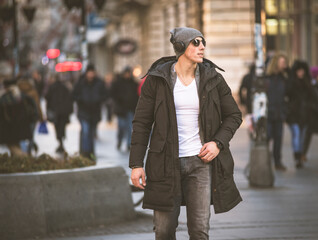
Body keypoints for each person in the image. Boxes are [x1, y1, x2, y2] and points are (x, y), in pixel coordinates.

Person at [129, 27, 243, 239]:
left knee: (199, 230)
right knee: (164, 230)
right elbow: (142, 123)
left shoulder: (212, 78)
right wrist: (136, 164)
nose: (202, 47)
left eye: (203, 42)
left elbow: (234, 115)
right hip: (164, 163)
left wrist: (217, 143)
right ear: (180, 47)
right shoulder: (157, 79)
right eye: (196, 43)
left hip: (200, 163)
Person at [73, 64, 106, 160]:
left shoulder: (99, 83)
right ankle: (85, 152)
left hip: (94, 112)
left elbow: (105, 94)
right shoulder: (80, 83)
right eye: (89, 72)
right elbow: (74, 94)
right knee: (85, 131)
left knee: (91, 133)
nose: (91, 74)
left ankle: (91, 152)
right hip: (83, 112)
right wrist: (81, 100)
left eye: (92, 72)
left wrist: (99, 100)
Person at [0, 79, 37, 156]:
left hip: (9, 128)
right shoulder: (22, 95)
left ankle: (25, 158)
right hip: (22, 126)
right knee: (16, 145)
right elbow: (34, 107)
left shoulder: (4, 97)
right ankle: (19, 162)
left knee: (12, 146)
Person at [265, 53, 290, 171]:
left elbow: (288, 93)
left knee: (278, 138)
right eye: (282, 62)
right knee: (267, 136)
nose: (284, 65)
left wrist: (285, 110)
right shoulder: (266, 78)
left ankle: (277, 161)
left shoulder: (284, 78)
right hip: (268, 113)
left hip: (279, 113)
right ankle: (265, 160)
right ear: (276, 63)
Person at [286, 60, 312, 168]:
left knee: (301, 136)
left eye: (302, 71)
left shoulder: (307, 83)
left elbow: (311, 97)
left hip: (305, 113)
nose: (301, 73)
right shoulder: (291, 82)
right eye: (299, 71)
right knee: (296, 134)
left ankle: (300, 156)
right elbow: (287, 94)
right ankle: (297, 157)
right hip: (294, 113)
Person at [111, 66, 138, 151]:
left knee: (130, 127)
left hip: (130, 109)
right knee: (121, 127)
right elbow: (113, 94)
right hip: (121, 109)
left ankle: (129, 144)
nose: (127, 75)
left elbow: (136, 95)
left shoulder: (134, 83)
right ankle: (119, 140)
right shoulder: (118, 83)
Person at [45, 74, 73, 153]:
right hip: (63, 113)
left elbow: (47, 98)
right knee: (62, 127)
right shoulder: (65, 87)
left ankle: (60, 142)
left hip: (56, 112)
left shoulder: (52, 88)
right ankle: (61, 142)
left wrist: (48, 111)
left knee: (57, 127)